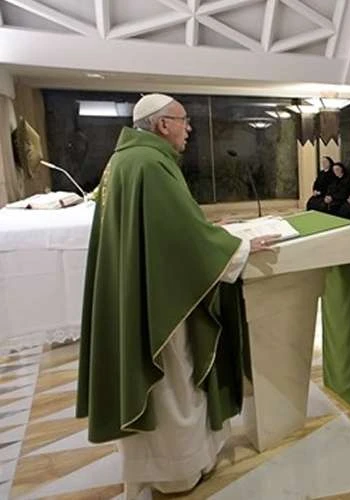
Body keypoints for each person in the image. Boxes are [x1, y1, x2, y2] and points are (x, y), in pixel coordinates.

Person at [76, 94, 278, 498]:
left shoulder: (126, 160)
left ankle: (158, 466)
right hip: (160, 299)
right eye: (184, 121)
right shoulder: (150, 164)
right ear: (162, 124)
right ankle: (177, 471)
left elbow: (164, 226)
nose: (189, 129)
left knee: (166, 384)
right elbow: (178, 239)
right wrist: (233, 245)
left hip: (139, 285)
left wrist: (205, 227)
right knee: (173, 378)